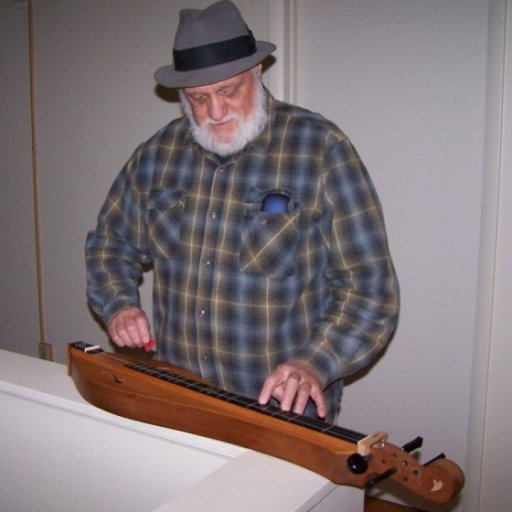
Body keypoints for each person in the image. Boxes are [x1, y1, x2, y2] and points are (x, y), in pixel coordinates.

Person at [85, 0, 399, 421]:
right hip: (181, 400)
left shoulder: (320, 149)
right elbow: (110, 244)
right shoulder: (156, 156)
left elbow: (369, 289)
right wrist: (119, 303)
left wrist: (314, 364)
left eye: (229, 91)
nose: (214, 112)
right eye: (198, 98)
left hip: (279, 412)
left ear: (257, 73)